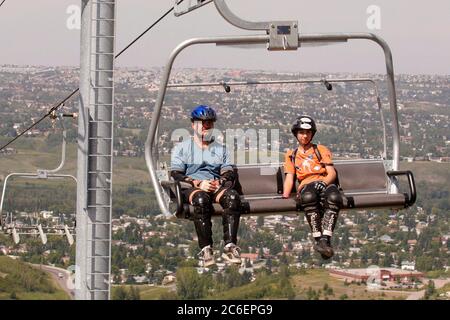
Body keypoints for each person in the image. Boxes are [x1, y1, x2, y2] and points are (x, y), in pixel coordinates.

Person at [170, 105, 242, 267]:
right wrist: (197, 183)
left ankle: (230, 246)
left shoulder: (220, 149)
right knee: (201, 199)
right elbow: (176, 174)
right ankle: (206, 248)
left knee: (232, 197)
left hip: (214, 185)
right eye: (201, 123)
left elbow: (228, 172)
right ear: (193, 125)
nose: (205, 126)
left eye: (209, 123)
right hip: (192, 187)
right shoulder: (182, 148)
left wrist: (220, 182)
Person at [282, 115, 343, 259]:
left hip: (324, 182)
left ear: (312, 134)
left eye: (308, 132)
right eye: (301, 132)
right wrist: (285, 197)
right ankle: (318, 239)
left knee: (334, 197)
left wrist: (323, 183)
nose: (304, 136)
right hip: (306, 185)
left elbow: (331, 172)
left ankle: (325, 240)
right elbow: (290, 177)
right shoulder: (291, 155)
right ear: (296, 134)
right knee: (308, 197)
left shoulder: (320, 149)